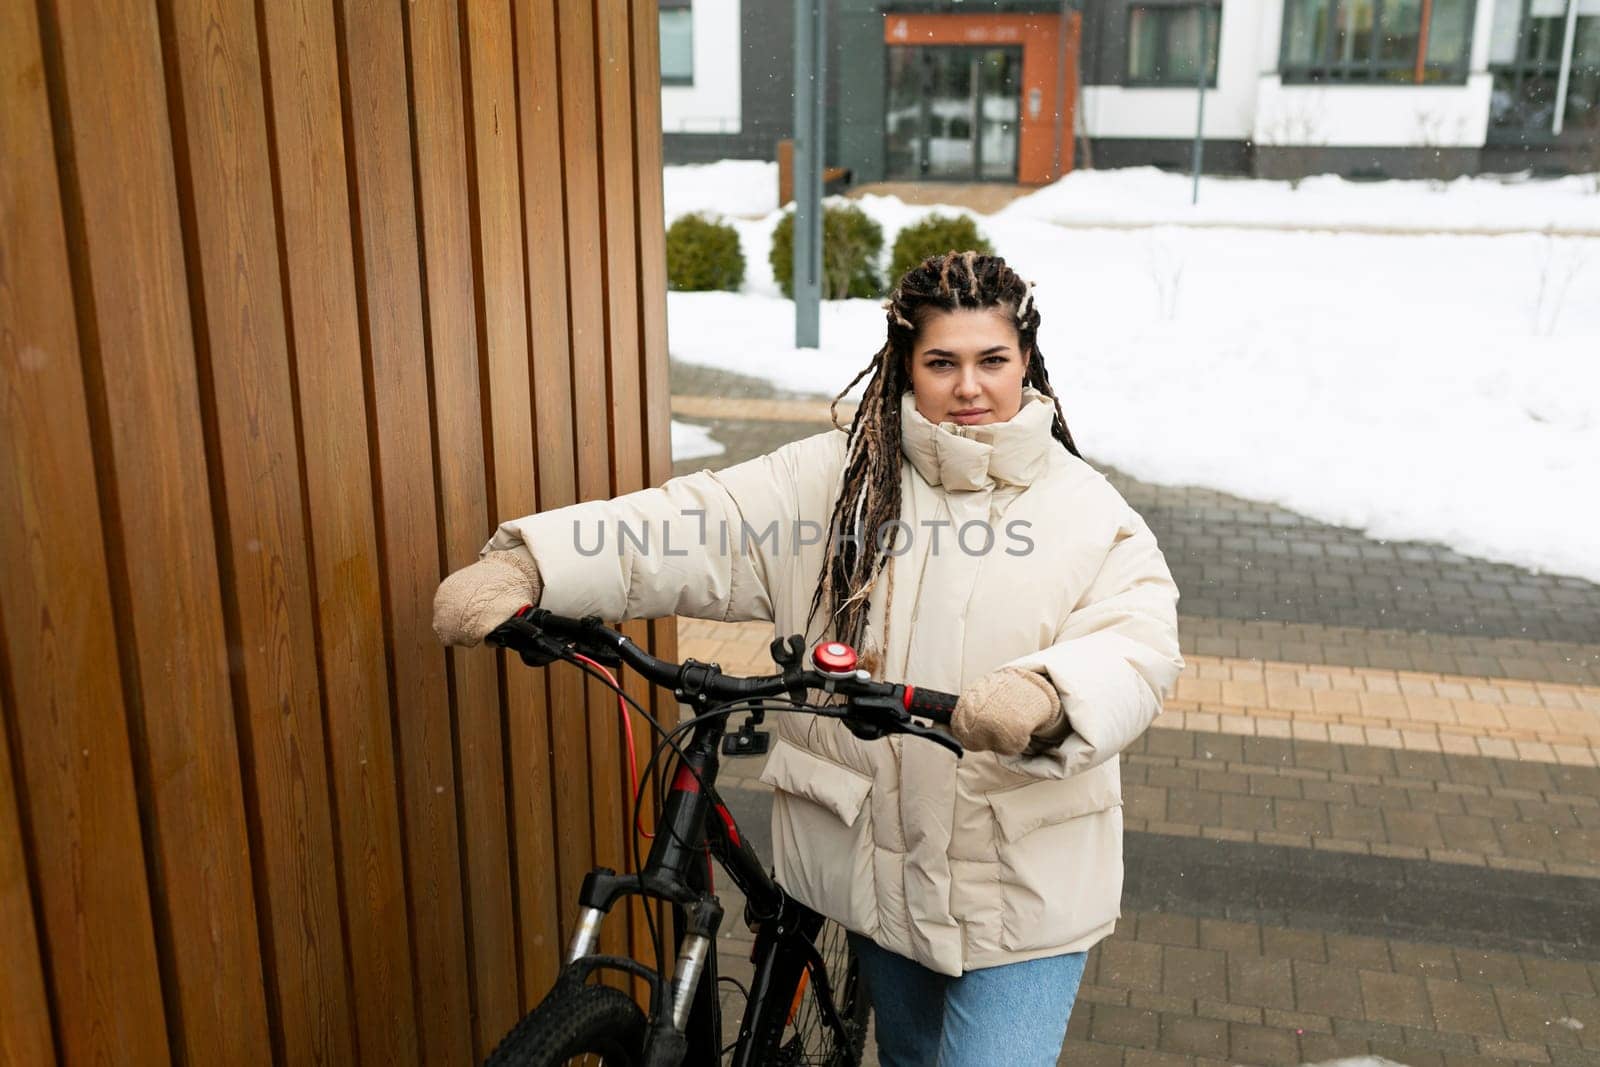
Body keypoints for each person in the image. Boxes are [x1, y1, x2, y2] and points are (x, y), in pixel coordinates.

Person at [433, 251, 1183, 1066]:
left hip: (1021, 886)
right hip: (876, 871)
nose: (969, 386)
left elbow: (1135, 638)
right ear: (907, 365)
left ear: (1025, 362)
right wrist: (535, 562)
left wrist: (1045, 693)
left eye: (991, 360)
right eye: (942, 362)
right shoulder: (837, 482)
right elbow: (697, 521)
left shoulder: (1086, 510)